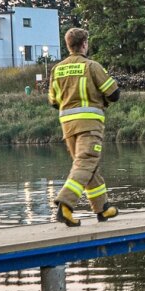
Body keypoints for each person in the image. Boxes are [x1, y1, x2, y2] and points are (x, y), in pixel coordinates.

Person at [49, 28, 120, 227]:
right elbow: (114, 94)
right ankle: (65, 204)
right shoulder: (91, 66)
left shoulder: (57, 69)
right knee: (86, 163)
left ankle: (102, 208)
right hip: (89, 124)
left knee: (87, 166)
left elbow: (53, 101)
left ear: (68, 45)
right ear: (85, 44)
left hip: (68, 127)